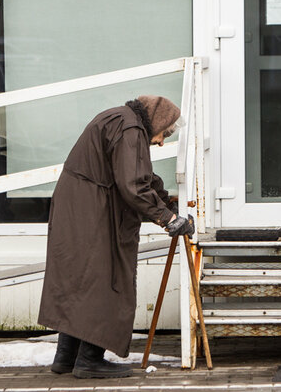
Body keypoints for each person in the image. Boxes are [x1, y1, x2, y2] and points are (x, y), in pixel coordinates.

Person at [38, 95, 195, 378]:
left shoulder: (121, 119)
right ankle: (89, 360)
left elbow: (139, 175)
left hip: (79, 207)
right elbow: (134, 185)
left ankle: (66, 357)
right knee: (106, 277)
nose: (161, 141)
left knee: (82, 279)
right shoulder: (131, 129)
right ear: (156, 121)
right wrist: (168, 219)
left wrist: (166, 203)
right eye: (165, 133)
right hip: (93, 209)